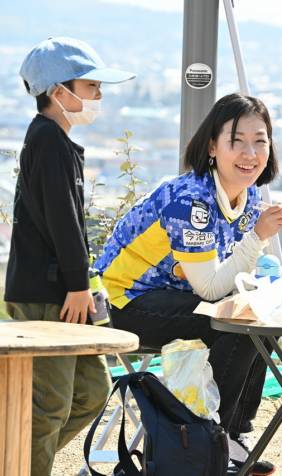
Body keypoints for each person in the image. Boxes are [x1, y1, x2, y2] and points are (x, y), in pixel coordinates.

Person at [95, 93, 282, 475]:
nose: (250, 152)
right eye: (237, 141)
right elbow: (212, 290)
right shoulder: (191, 201)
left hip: (172, 298)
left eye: (260, 140)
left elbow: (236, 272)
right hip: (123, 301)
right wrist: (258, 237)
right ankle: (209, 436)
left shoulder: (246, 198)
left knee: (260, 318)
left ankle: (232, 434)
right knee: (235, 322)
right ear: (213, 147)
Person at [4, 37, 135, 476]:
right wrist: (79, 284)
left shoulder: (55, 140)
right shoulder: (48, 141)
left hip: (63, 289)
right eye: (91, 85)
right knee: (50, 404)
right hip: (49, 292)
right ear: (59, 92)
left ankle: (14, 459)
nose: (99, 96)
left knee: (91, 392)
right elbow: (62, 220)